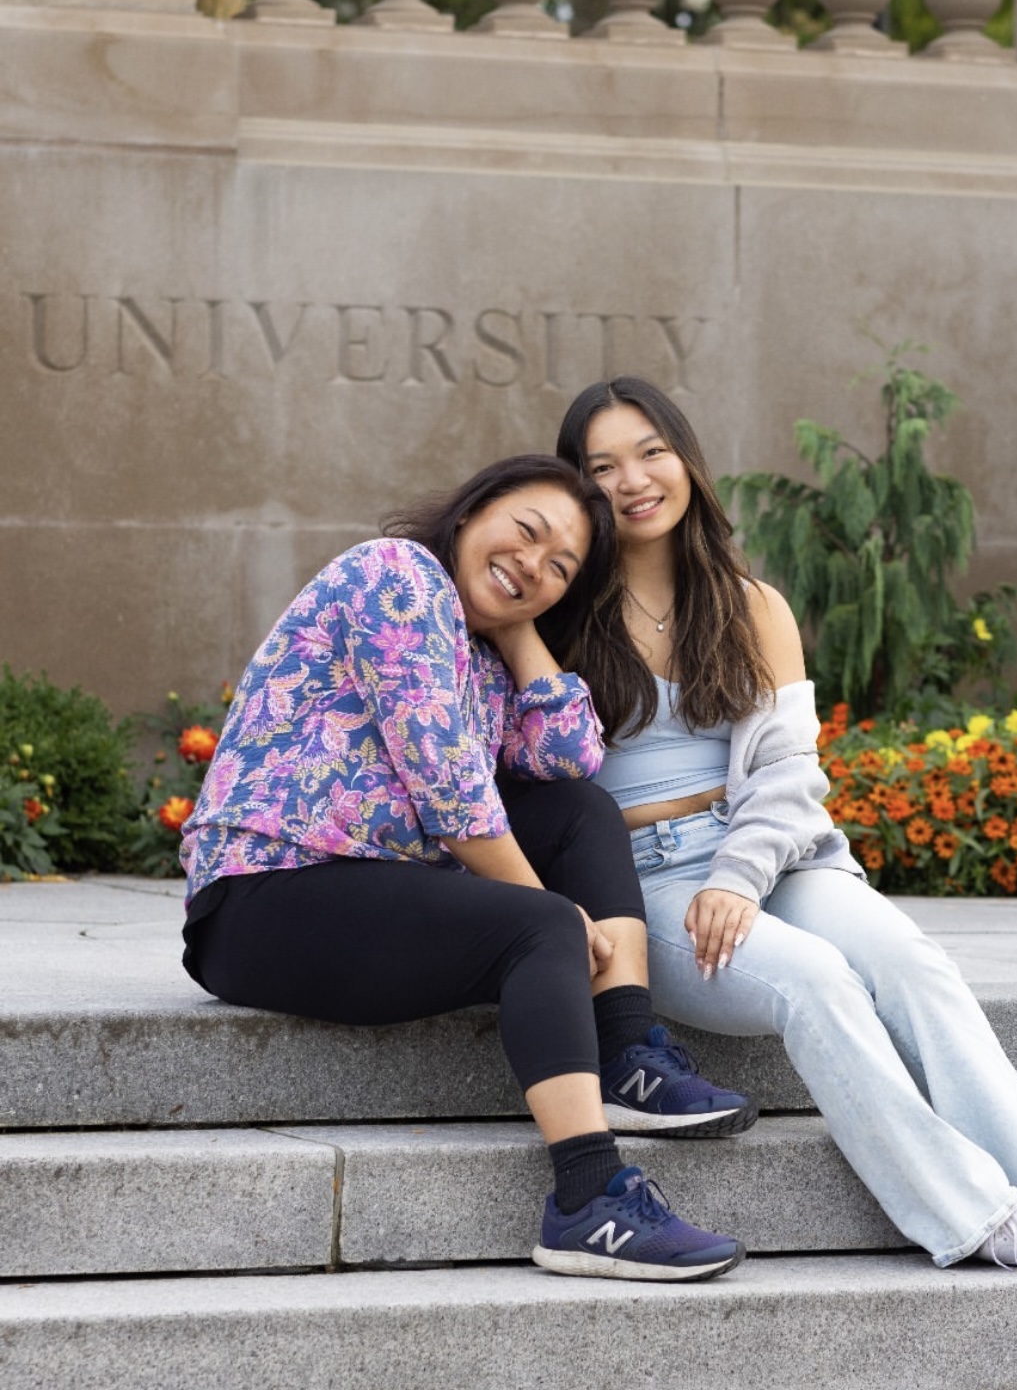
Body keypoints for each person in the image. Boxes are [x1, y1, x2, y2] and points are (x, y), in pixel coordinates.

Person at [556, 380, 1017, 1273]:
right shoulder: (561, 614)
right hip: (641, 885)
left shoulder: (748, 604)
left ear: (685, 458)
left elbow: (790, 769)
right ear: (577, 485)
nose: (633, 480)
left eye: (651, 451)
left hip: (769, 858)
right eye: (601, 466)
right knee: (814, 980)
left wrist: (738, 874)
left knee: (908, 959)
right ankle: (982, 1221)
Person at [179, 453, 752, 1284]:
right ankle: (588, 1198)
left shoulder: (478, 653)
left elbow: (569, 759)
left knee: (579, 816)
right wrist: (561, 925)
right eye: (526, 533)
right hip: (261, 898)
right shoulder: (396, 576)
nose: (534, 565)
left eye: (561, 567)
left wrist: (518, 631)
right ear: (472, 510)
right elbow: (454, 797)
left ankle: (625, 1046)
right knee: (539, 922)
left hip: (366, 884)